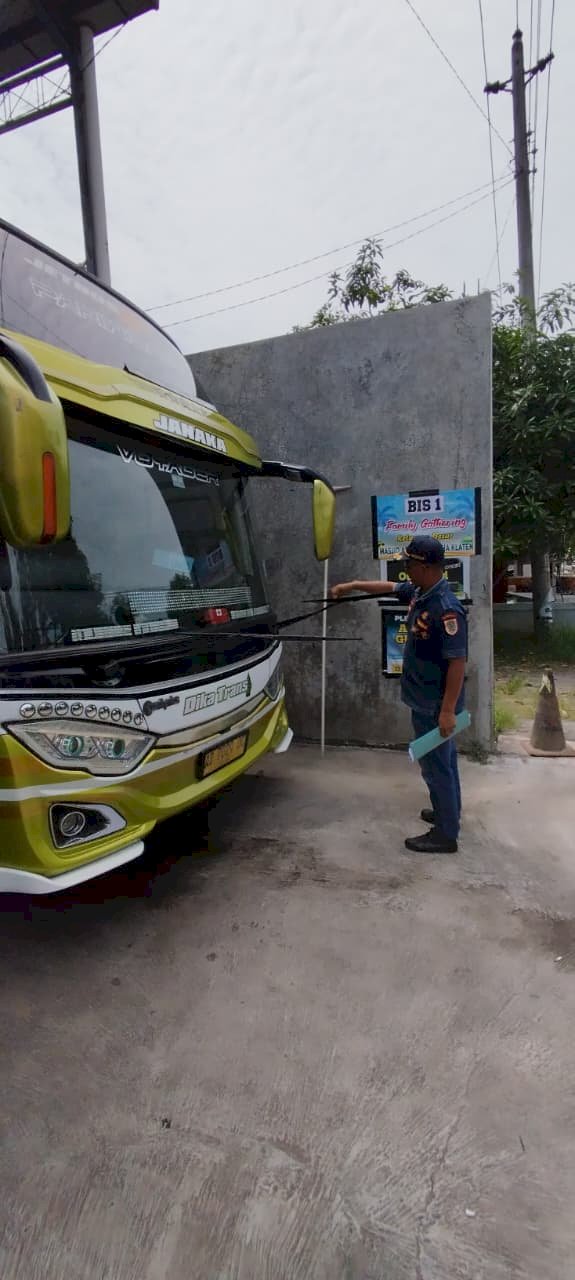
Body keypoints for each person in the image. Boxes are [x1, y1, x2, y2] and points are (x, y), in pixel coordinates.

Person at [330, 535, 467, 854]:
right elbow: (387, 587)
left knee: (436, 766)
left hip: (436, 705)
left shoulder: (445, 609)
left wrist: (447, 711)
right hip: (426, 700)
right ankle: (449, 812)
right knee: (443, 762)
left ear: (427, 567)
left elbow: (458, 663)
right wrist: (350, 585)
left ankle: (445, 834)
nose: (405, 568)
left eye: (410, 563)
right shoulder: (421, 593)